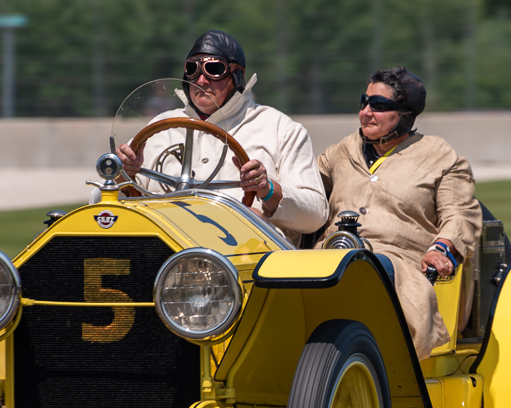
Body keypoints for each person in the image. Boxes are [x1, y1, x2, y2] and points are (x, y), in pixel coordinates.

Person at [316, 68, 482, 360]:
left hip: (400, 267)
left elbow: (460, 216)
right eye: (364, 102)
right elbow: (304, 191)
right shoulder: (342, 150)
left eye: (378, 106)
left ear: (404, 115)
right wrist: (268, 188)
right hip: (327, 259)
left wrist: (440, 249)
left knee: (367, 270)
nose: (366, 112)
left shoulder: (440, 155)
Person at [116, 30, 328, 247]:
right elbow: (105, 208)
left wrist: (268, 190)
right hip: (165, 251)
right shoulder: (159, 128)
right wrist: (123, 174)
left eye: (213, 69)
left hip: (248, 257)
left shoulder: (281, 128)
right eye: (192, 69)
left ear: (237, 76)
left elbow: (315, 214)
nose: (201, 80)